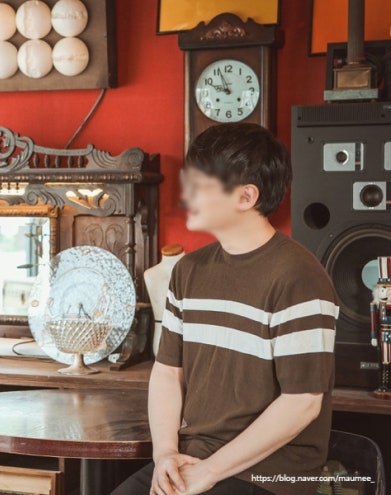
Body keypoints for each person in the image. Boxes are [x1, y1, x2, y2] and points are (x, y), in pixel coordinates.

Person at [112, 123, 339, 495]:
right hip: (193, 459)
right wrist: (165, 453)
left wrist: (210, 471)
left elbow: (302, 403)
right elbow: (167, 373)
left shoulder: (299, 276)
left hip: (269, 474)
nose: (186, 197)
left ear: (246, 196)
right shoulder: (189, 270)